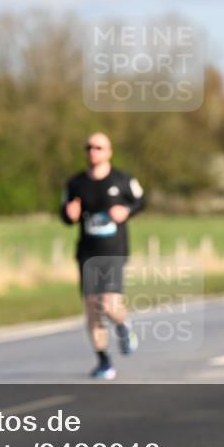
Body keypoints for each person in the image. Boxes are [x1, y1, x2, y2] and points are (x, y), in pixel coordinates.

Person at [60, 132, 145, 379]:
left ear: (109, 151)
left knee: (109, 304)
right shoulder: (75, 184)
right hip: (87, 252)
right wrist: (69, 214)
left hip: (114, 251)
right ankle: (104, 360)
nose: (93, 151)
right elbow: (65, 215)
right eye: (89, 147)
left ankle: (122, 324)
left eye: (98, 147)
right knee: (92, 309)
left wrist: (126, 210)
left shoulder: (122, 179)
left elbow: (141, 201)